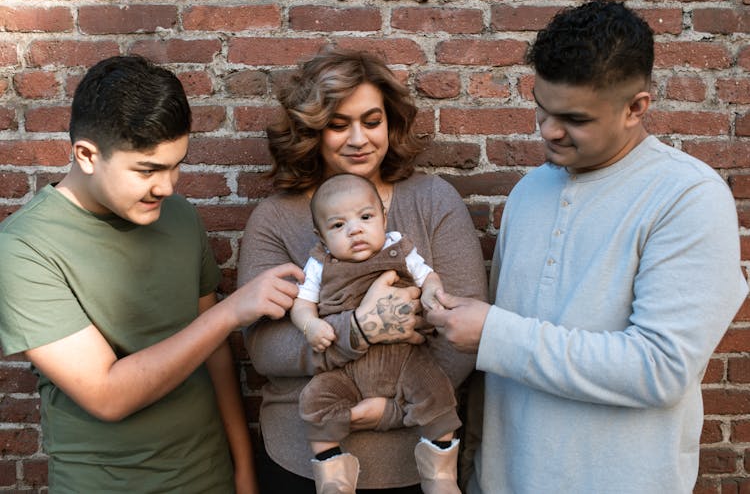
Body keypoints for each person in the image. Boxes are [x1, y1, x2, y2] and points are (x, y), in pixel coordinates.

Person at [425, 0, 749, 494]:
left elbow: (658, 368)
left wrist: (493, 334)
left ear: (636, 108)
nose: (548, 130)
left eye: (573, 118)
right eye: (542, 107)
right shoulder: (530, 192)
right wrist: (475, 470)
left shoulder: (688, 198)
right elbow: (498, 378)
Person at [0, 55, 304, 493]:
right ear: (87, 155)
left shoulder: (179, 216)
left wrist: (242, 471)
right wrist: (231, 312)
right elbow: (108, 395)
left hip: (210, 477)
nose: (167, 186)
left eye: (176, 164)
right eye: (148, 170)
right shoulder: (24, 248)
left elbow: (216, 356)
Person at [237, 47, 488, 493]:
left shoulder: (432, 201)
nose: (359, 139)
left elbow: (465, 334)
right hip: (301, 461)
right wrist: (356, 329)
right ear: (312, 128)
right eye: (339, 124)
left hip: (416, 462)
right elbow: (266, 347)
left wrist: (392, 410)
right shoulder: (276, 219)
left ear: (390, 123)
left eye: (372, 122)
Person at [290, 173, 461, 493]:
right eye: (338, 225)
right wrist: (310, 325)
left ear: (383, 215)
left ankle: (440, 476)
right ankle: (333, 478)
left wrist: (429, 293)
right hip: (346, 368)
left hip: (407, 359)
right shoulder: (320, 264)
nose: (355, 229)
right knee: (315, 402)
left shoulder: (399, 247)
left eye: (366, 218)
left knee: (437, 394)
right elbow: (301, 305)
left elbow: (429, 277)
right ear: (321, 236)